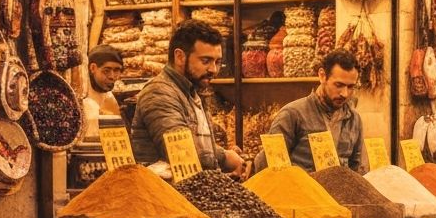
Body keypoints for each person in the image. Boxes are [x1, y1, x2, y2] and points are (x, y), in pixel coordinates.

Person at [130, 18, 244, 177]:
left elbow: (197, 143)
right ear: (180, 57)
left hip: (190, 189)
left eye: (217, 62)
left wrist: (223, 156)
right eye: (206, 61)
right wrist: (222, 163)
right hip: (166, 194)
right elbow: (182, 151)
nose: (213, 69)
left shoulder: (192, 91)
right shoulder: (159, 93)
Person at [252, 50, 364, 172]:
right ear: (322, 76)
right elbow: (269, 164)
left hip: (338, 190)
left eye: (351, 87)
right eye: (338, 85)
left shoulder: (354, 120)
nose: (344, 93)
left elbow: (355, 169)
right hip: (300, 189)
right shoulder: (293, 114)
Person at [81, 44, 123, 137]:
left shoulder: (108, 95)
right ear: (93, 68)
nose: (112, 76)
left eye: (116, 70)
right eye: (106, 71)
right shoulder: (81, 91)